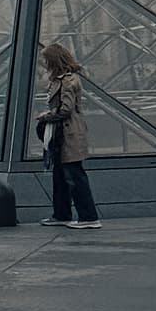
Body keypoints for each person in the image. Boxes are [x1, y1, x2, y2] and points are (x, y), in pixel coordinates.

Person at [38, 41, 100, 226]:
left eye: (45, 60)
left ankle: (89, 217)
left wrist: (46, 115)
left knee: (74, 175)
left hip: (69, 133)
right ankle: (61, 214)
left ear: (53, 61)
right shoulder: (59, 79)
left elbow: (66, 109)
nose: (43, 64)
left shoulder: (69, 80)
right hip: (61, 134)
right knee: (60, 175)